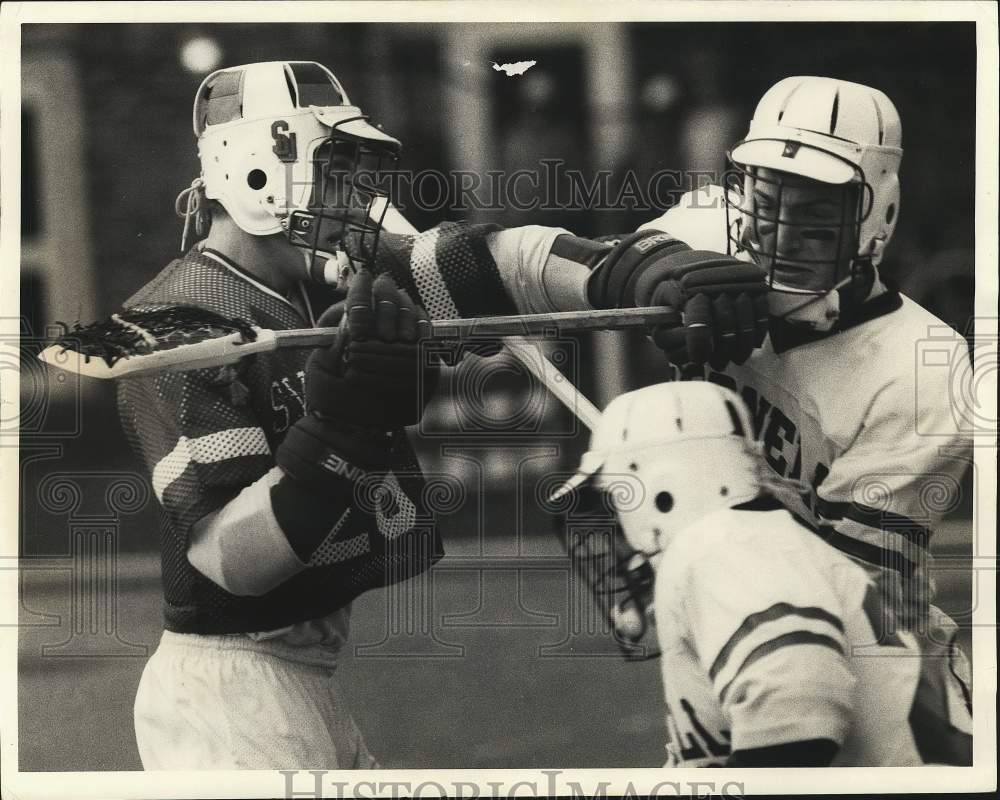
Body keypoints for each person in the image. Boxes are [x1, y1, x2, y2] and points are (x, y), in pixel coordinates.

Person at [354, 76, 972, 686]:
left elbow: (850, 599)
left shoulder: (922, 368)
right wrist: (642, 273)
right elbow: (505, 263)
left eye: (813, 212)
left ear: (877, 214)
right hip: (728, 642)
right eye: (767, 199)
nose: (779, 234)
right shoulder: (707, 231)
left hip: (885, 684)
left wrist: (699, 517)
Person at [119, 60, 441, 769]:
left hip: (300, 681)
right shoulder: (178, 322)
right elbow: (233, 561)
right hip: (231, 695)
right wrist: (342, 428)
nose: (354, 197)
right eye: (336, 170)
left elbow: (472, 266)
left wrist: (624, 267)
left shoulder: (294, 292)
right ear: (258, 170)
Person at [549, 381, 973, 767]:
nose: (618, 534)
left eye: (613, 500)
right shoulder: (754, 541)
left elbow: (796, 707)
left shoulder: (723, 546)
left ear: (662, 490)